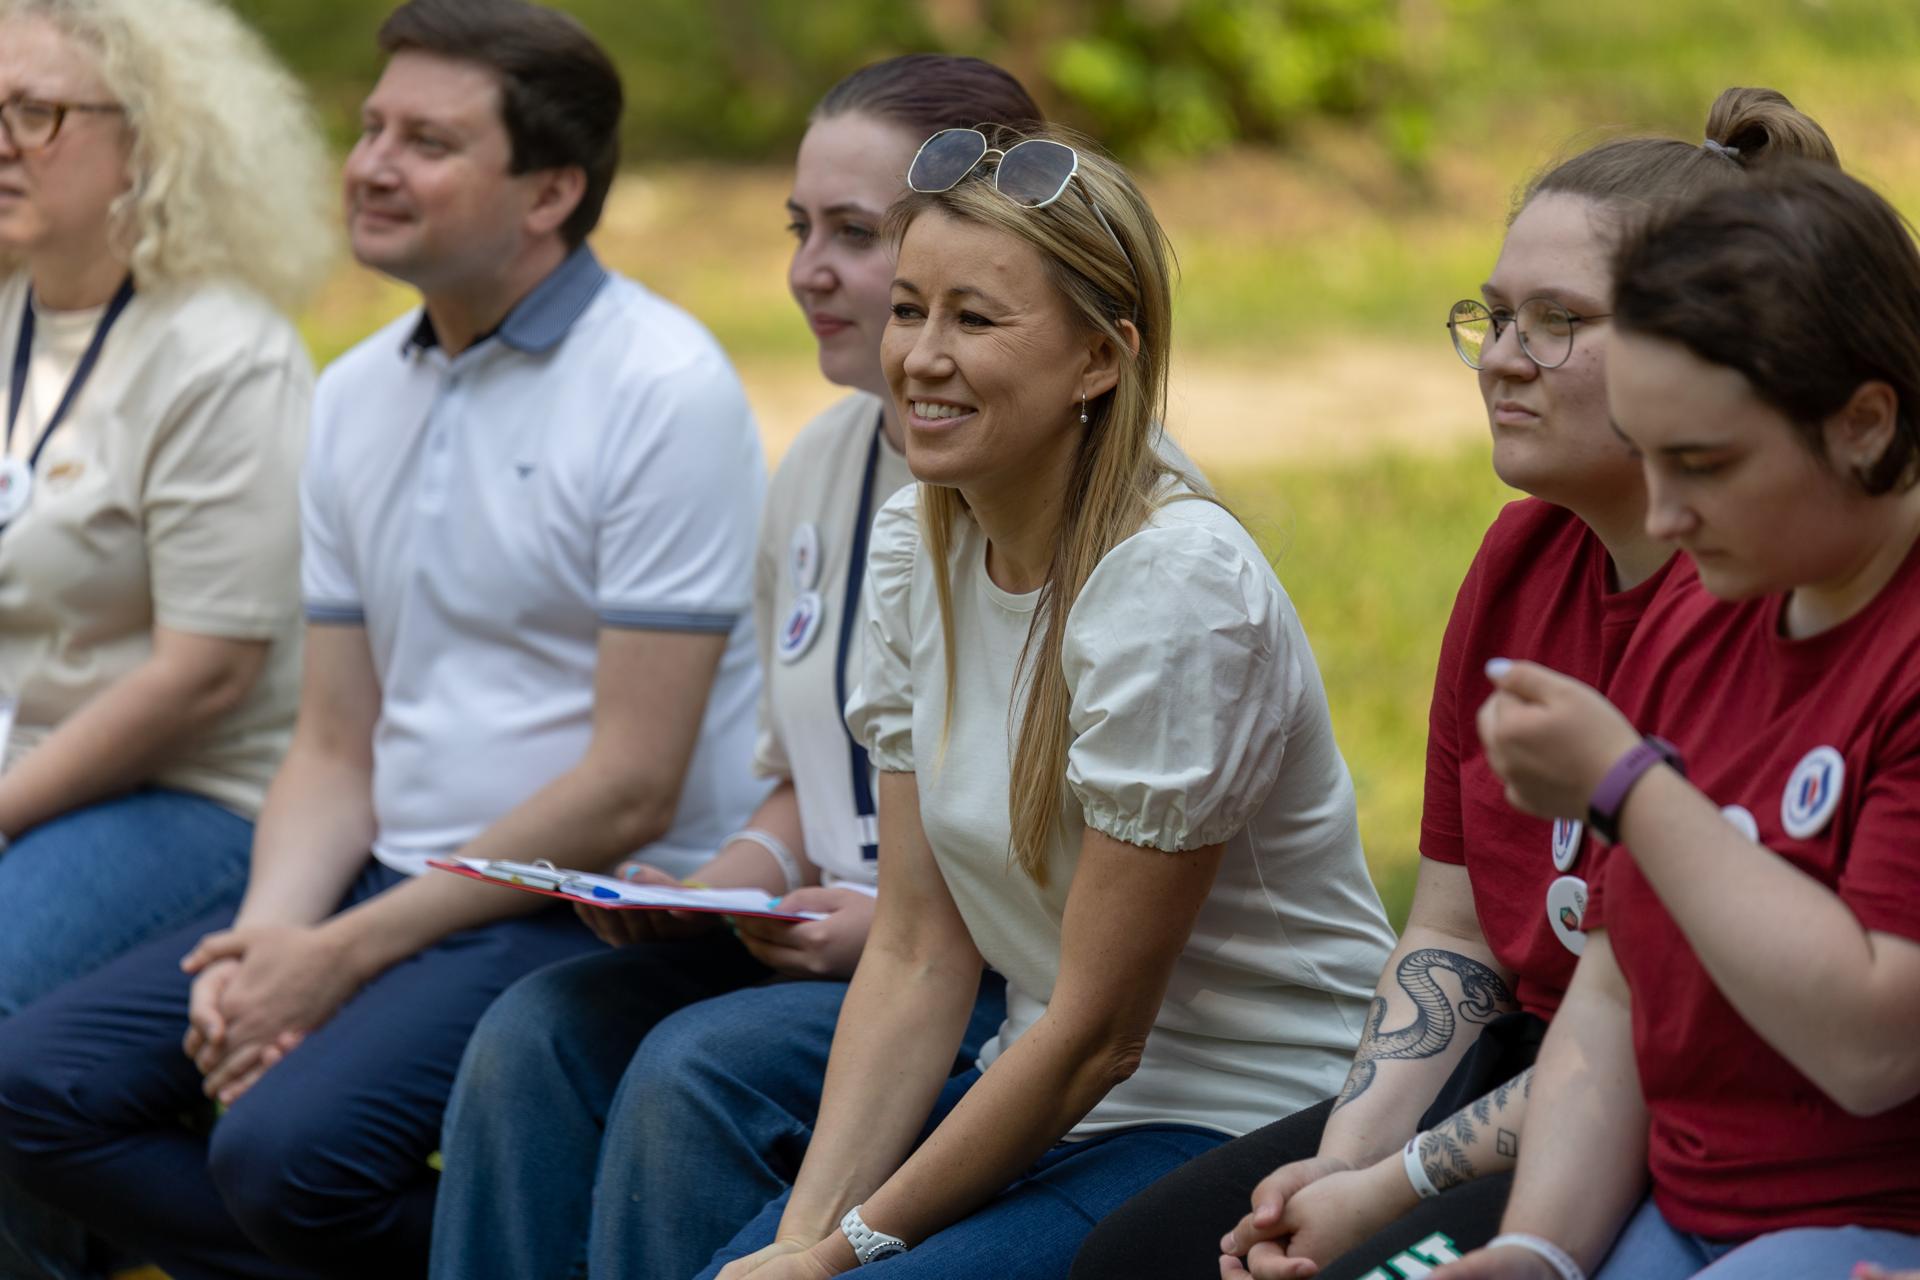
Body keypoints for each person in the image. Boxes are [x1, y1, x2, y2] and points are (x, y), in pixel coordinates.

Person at [0, 1, 766, 1276]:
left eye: (427, 140)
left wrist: (341, 953)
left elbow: (633, 780)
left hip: (582, 906)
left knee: (286, 1158)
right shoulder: (358, 391)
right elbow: (331, 741)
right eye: (369, 128)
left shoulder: (659, 387)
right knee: (36, 1085)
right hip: (386, 873)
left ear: (549, 191)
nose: (371, 164)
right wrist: (267, 942)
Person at [1069, 89, 1841, 1280]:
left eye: (1556, 320)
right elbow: (1455, 926)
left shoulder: (1751, 604)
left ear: (1701, 341)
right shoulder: (1522, 554)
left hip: (1639, 1108)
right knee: (1138, 1264)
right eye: (1491, 315)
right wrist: (1348, 1151)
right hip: (1506, 1063)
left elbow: (1644, 1025)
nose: (1502, 359)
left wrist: (1389, 1189)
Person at [696, 123, 1395, 1280]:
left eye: (974, 319)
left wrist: (848, 1253)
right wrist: (801, 1236)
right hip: (1055, 1097)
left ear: (1100, 360)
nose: (918, 354)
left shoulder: (1172, 592)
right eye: (909, 308)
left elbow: (1098, 1038)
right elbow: (919, 947)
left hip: (1249, 1114)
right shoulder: (917, 549)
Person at [427, 53, 1040, 1280]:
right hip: (838, 936)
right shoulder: (818, 464)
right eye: (801, 227)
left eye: (856, 235)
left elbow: (1072, 857)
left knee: (691, 1068)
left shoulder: (1064, 492)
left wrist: (886, 924)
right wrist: (719, 883)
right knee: (537, 1027)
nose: (810, 268)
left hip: (995, 978)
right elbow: (805, 777)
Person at [1431, 160, 1920, 1280]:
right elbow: (1612, 988)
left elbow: (1871, 1046)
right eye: (1648, 457)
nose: (1661, 514)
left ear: (1864, 422)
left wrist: (1633, 789)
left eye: (1703, 464)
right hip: (1686, 1200)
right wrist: (1540, 1246)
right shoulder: (1708, 607)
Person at [0, 0, 329, 1019]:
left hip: (189, 793)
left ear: (153, 134)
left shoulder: (223, 355)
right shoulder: (12, 306)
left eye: (35, 112)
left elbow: (205, 675)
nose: (2, 143)